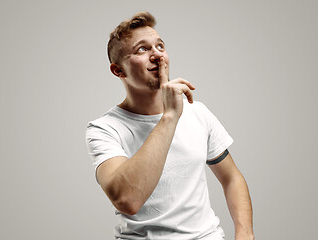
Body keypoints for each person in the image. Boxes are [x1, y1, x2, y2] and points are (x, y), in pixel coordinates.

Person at [86, 12, 254, 240]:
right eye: (142, 49)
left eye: (160, 46)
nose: (157, 55)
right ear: (118, 70)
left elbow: (232, 177)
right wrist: (170, 116)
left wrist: (245, 234)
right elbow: (128, 200)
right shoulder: (105, 129)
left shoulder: (198, 112)